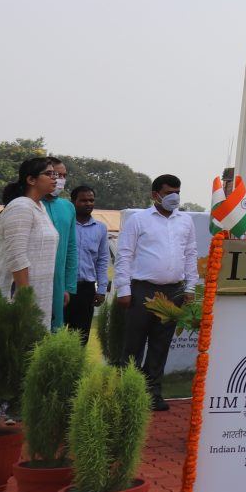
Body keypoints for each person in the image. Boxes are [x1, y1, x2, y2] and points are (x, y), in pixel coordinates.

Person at [116, 174, 199, 411]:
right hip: (143, 289)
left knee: (161, 344)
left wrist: (190, 287)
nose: (175, 197)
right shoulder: (138, 220)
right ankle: (128, 392)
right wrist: (123, 289)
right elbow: (124, 254)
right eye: (169, 192)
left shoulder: (185, 221)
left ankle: (153, 393)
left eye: (177, 192)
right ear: (155, 195)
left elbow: (191, 254)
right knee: (134, 344)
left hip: (174, 290)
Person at [0, 157, 63, 329]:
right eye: (49, 174)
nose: (55, 178)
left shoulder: (40, 207)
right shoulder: (21, 207)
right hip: (17, 296)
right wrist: (25, 298)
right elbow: (17, 256)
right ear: (31, 180)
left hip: (39, 295)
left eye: (56, 174)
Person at [66, 185, 109, 342]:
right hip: (63, 287)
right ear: (73, 202)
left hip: (86, 289)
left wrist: (102, 289)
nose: (88, 204)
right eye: (83, 200)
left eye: (91, 200)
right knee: (55, 334)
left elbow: (102, 260)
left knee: (80, 337)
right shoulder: (65, 225)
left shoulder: (100, 229)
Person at [43, 158, 80, 329]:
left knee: (53, 330)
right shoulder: (28, 205)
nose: (61, 180)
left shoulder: (68, 207)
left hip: (58, 283)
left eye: (64, 176)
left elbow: (71, 248)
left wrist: (68, 287)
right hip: (31, 280)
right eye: (57, 175)